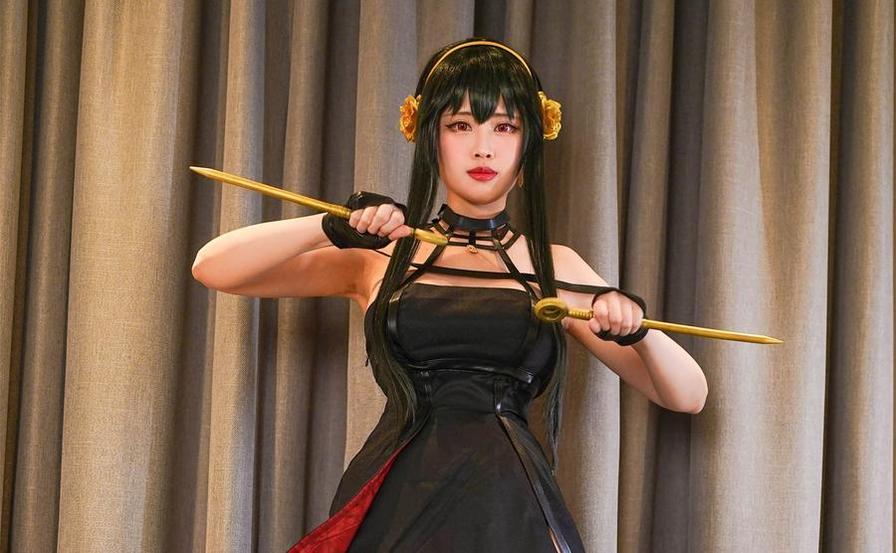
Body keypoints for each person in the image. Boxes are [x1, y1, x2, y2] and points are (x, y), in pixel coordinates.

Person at [192, 37, 707, 553]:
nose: (483, 147)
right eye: (460, 125)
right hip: (395, 502)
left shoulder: (555, 265)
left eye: (504, 127)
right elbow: (213, 267)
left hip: (512, 508)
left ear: (528, 144)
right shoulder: (382, 255)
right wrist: (329, 226)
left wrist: (637, 330)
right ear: (429, 138)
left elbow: (688, 395)